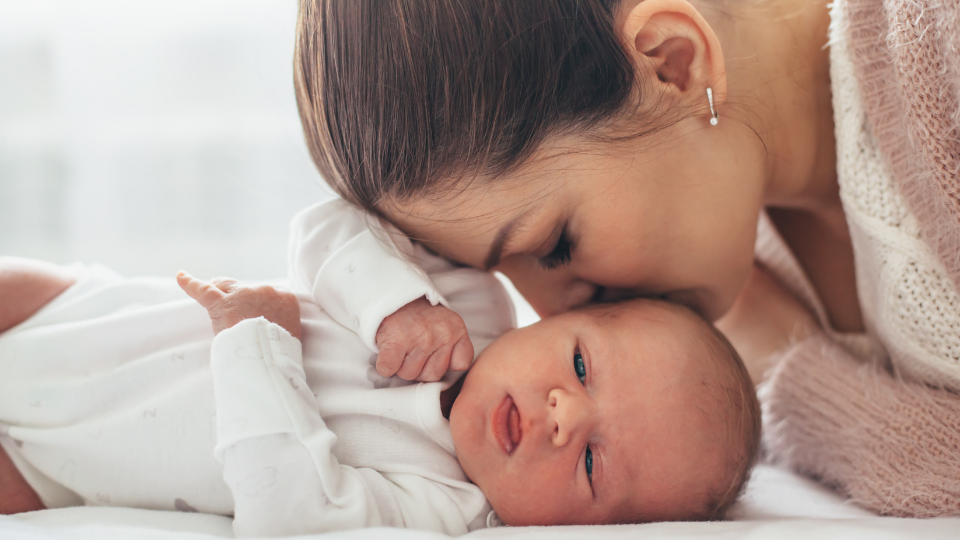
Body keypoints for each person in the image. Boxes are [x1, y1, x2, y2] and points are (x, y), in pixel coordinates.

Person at [293, 0, 960, 517]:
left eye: (555, 245)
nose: (549, 312)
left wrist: (786, 370)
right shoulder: (726, 266)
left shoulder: (940, 51)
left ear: (674, 60)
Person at [0, 199, 760, 535]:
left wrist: (256, 343)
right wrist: (396, 305)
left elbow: (291, 514)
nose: (564, 416)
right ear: (557, 318)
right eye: (584, 366)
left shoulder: (438, 508)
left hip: (54, 470)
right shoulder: (466, 298)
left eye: (594, 464)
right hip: (81, 317)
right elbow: (328, 224)